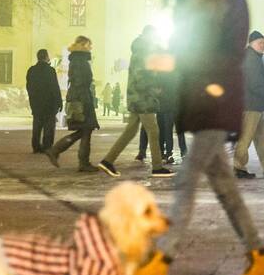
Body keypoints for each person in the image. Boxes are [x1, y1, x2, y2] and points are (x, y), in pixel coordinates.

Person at [132, 0, 264, 275]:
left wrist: (191, 67)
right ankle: (259, 259)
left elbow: (227, 55)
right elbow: (186, 50)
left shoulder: (233, 2)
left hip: (217, 102)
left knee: (186, 180)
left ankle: (162, 260)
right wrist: (166, 61)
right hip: (197, 103)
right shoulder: (192, 2)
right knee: (227, 190)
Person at [96, 27, 172, 179]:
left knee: (130, 131)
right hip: (143, 98)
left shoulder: (141, 51)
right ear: (148, 36)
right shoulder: (143, 52)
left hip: (138, 96)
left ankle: (107, 161)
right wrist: (154, 87)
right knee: (153, 130)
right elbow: (142, 76)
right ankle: (157, 167)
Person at [45, 37, 100, 172]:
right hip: (81, 99)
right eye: (89, 45)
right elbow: (80, 81)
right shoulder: (80, 60)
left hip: (79, 97)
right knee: (86, 129)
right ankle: (81, 162)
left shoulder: (77, 58)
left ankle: (57, 151)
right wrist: (85, 98)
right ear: (82, 44)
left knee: (83, 130)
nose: (90, 48)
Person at [235, 30, 264, 178]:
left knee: (260, 137)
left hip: (256, 104)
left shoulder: (253, 57)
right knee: (247, 137)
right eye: (260, 43)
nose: (263, 46)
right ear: (251, 44)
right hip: (252, 105)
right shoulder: (251, 58)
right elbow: (255, 83)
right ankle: (238, 166)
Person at [26, 49, 62, 154]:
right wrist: (59, 102)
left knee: (37, 125)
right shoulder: (50, 70)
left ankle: (36, 146)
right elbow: (55, 87)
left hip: (36, 103)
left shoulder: (31, 70)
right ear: (46, 57)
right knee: (49, 126)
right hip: (49, 104)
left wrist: (32, 99)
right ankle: (47, 146)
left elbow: (29, 87)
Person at [156, 67, 184, 162]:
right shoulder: (178, 73)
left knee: (165, 131)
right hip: (174, 105)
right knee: (176, 131)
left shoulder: (161, 74)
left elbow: (158, 90)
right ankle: (183, 152)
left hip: (165, 106)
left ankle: (166, 153)